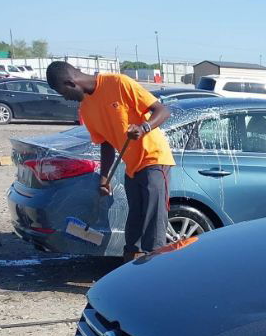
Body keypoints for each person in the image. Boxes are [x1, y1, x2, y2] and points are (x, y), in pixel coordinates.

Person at [46, 61, 174, 258]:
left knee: (153, 226)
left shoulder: (118, 83)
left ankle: (155, 279)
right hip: (132, 167)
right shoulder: (86, 109)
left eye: (64, 93)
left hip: (154, 160)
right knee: (134, 228)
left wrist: (143, 128)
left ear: (71, 83)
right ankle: (132, 272)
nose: (66, 99)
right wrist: (104, 177)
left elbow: (162, 111)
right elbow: (106, 144)